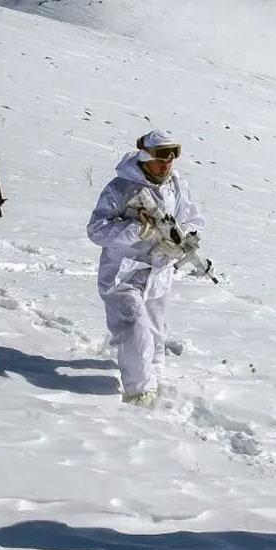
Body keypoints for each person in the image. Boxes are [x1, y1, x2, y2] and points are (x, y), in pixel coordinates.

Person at [87, 130, 206, 406]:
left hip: (159, 271)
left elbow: (193, 218)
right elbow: (96, 230)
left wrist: (184, 238)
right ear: (145, 157)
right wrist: (137, 230)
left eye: (171, 157)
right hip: (123, 272)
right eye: (160, 157)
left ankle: (155, 373)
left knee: (154, 328)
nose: (166, 164)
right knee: (134, 327)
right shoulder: (120, 188)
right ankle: (138, 392)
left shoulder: (177, 186)